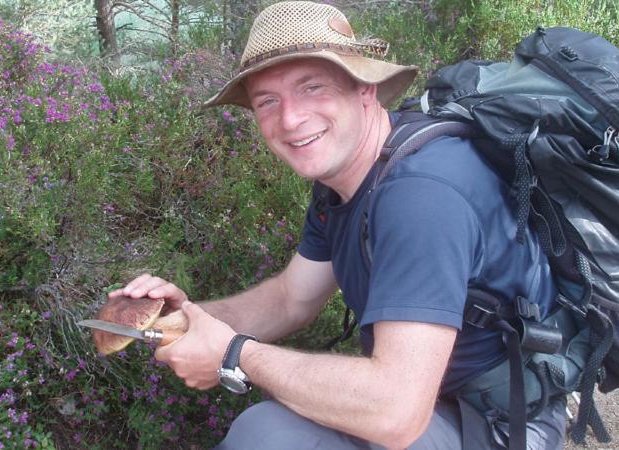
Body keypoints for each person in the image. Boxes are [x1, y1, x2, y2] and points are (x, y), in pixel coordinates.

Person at [109, 2, 567, 448]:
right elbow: (292, 298)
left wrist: (235, 355)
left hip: (501, 423)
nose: (290, 119)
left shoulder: (420, 196)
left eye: (313, 88)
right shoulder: (344, 182)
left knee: (267, 436)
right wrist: (189, 318)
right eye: (268, 100)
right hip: (439, 399)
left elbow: (394, 411)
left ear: (364, 89)